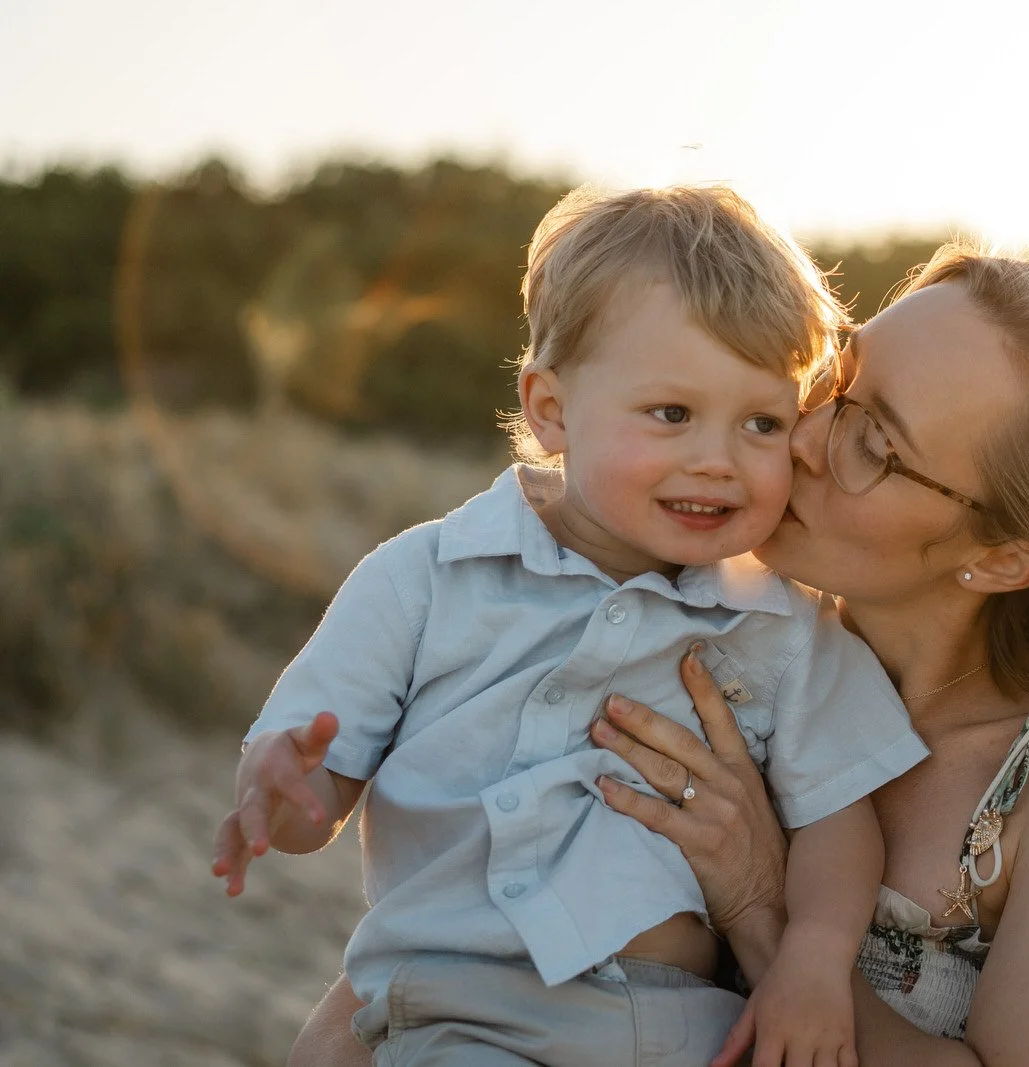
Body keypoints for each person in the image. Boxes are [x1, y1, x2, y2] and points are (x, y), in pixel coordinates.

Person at [287, 241, 1029, 1066]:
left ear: (1003, 554)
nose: (797, 436)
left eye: (872, 441)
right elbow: (455, 924)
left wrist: (764, 913)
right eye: (829, 381)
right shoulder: (697, 633)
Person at [211, 185, 932, 1067]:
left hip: (691, 1024)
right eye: (672, 413)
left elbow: (837, 814)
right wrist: (286, 792)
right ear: (551, 410)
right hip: (463, 1011)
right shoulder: (426, 579)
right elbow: (315, 804)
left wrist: (814, 957)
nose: (718, 458)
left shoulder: (783, 619)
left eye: (763, 422)